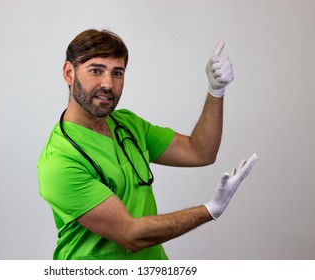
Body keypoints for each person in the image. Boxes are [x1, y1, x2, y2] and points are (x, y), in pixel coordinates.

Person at [37, 29, 258, 260]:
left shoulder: (127, 125)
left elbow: (200, 152)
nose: (108, 84)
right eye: (96, 70)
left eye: (118, 73)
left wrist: (216, 90)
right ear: (69, 72)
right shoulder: (59, 160)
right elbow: (131, 234)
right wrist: (210, 209)